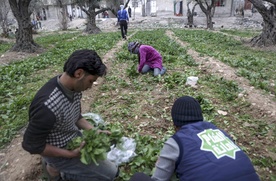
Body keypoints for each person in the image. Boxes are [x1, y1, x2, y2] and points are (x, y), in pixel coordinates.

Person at [22, 49, 119, 181]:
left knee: (110, 167)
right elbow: (31, 145)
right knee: (111, 174)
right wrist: (69, 154)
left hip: (72, 138)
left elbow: (76, 116)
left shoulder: (72, 87)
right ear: (79, 73)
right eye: (91, 81)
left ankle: (56, 167)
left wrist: (96, 131)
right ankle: (56, 171)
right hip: (59, 151)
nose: (91, 86)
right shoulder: (47, 106)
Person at [129, 96, 260, 181]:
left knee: (138, 178)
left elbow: (159, 179)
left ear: (175, 124)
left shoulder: (176, 141)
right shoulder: (218, 131)